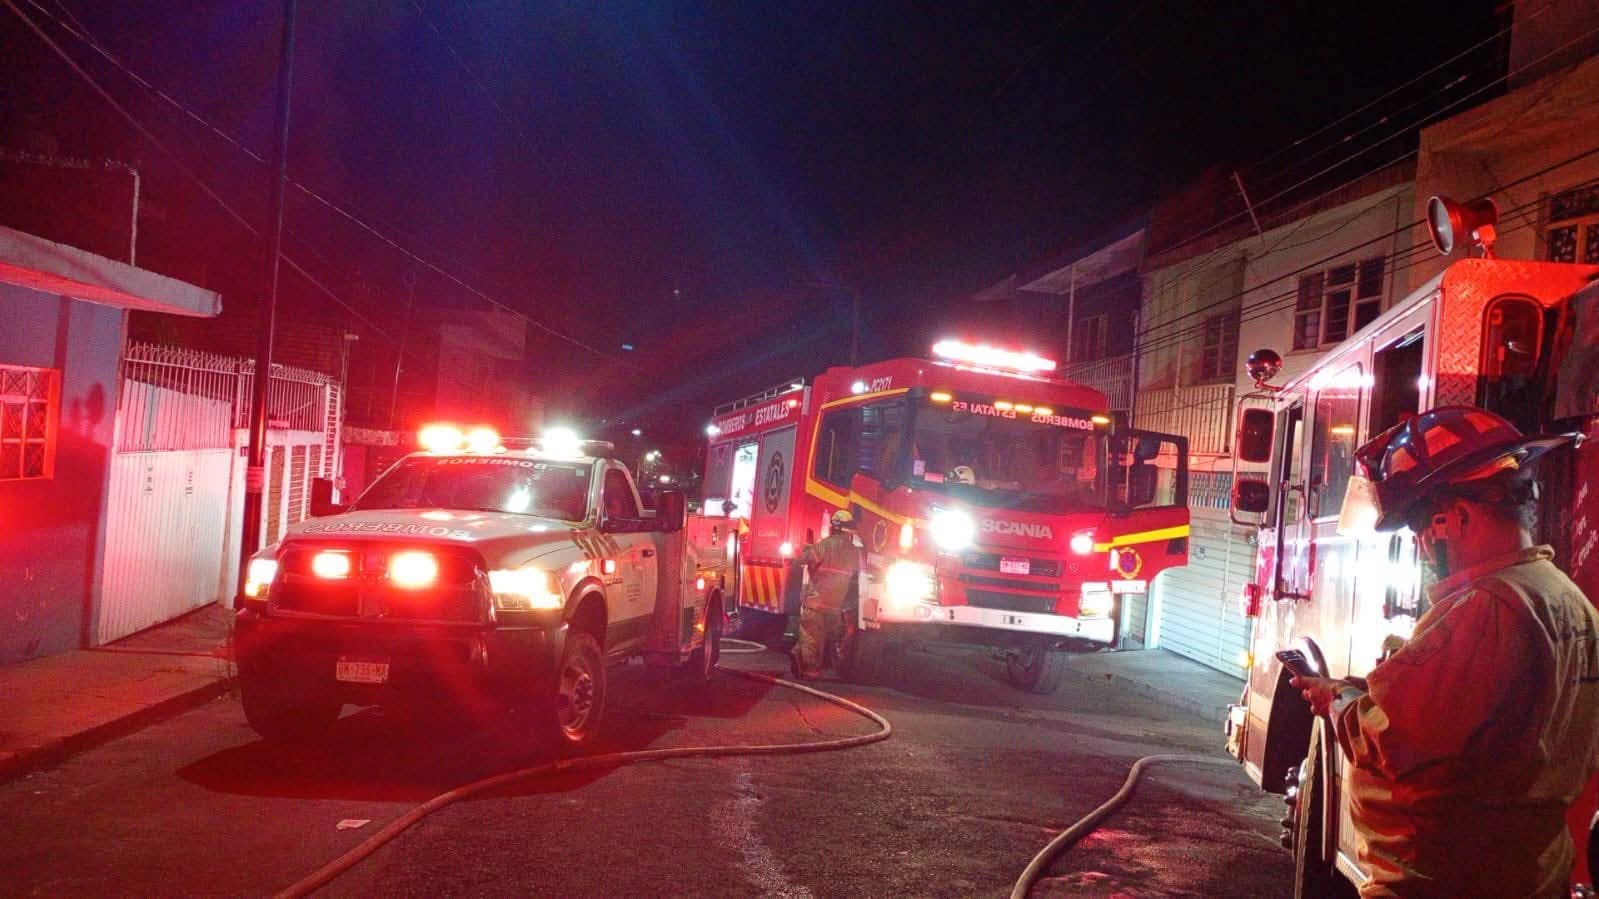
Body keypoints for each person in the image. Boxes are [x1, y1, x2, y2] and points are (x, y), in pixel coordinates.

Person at [1291, 406, 1599, 898]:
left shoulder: (1483, 607)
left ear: (1456, 517)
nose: (1420, 546)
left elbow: (1395, 742)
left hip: (1443, 880)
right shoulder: (1566, 599)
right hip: (1532, 874)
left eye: (1420, 529)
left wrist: (1338, 702)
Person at [791, 509, 862, 680]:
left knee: (811, 639)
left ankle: (809, 673)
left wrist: (806, 550)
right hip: (835, 608)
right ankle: (798, 657)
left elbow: (800, 560)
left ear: (834, 527)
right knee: (826, 639)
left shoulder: (824, 545)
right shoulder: (854, 552)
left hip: (816, 604)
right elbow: (854, 575)